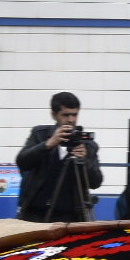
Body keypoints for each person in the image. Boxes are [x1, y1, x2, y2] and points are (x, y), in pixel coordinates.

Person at [16, 91, 103, 224]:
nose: (71, 120)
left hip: (70, 218)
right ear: (54, 115)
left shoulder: (87, 145)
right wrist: (47, 144)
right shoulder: (40, 135)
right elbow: (22, 162)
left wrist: (85, 160)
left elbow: (96, 182)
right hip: (35, 215)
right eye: (66, 115)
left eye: (74, 114)